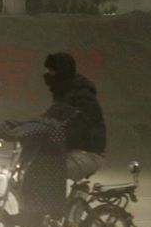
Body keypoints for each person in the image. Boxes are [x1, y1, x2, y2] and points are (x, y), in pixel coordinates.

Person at [42, 52, 107, 181]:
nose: (48, 74)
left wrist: (55, 141)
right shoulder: (63, 92)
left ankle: (49, 202)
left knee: (45, 171)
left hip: (89, 153)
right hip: (74, 150)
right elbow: (50, 119)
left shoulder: (81, 94)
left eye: (52, 71)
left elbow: (81, 124)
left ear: (62, 72)